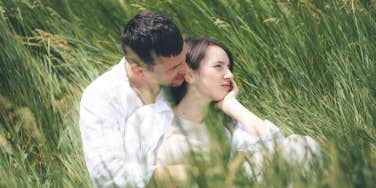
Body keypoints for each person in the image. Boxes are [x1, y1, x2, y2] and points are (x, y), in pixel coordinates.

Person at [153, 36, 321, 181]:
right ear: (189, 74)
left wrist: (232, 105)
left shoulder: (225, 128)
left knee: (301, 144)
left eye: (229, 68)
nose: (229, 75)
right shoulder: (157, 119)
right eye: (218, 66)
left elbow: (276, 145)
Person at [79, 12, 187, 187]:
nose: (186, 69)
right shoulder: (102, 97)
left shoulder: (180, 61)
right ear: (139, 70)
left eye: (185, 59)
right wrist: (185, 173)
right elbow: (109, 176)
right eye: (174, 68)